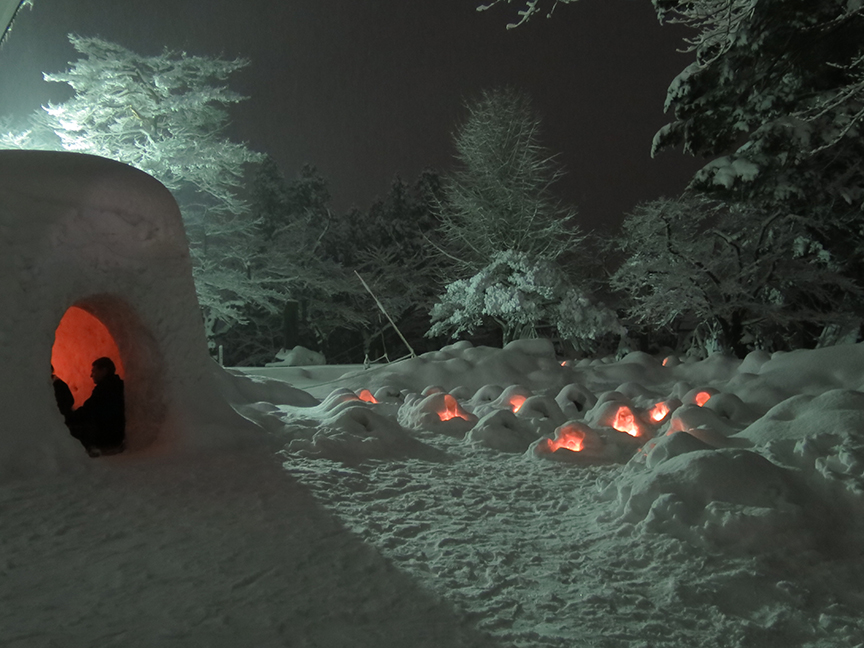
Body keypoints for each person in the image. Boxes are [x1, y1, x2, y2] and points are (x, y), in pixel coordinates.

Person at [67, 357, 125, 457]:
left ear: (104, 371)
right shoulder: (115, 385)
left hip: (107, 434)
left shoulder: (105, 389)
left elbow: (89, 410)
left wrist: (68, 418)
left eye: (94, 371)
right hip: (115, 432)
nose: (91, 375)